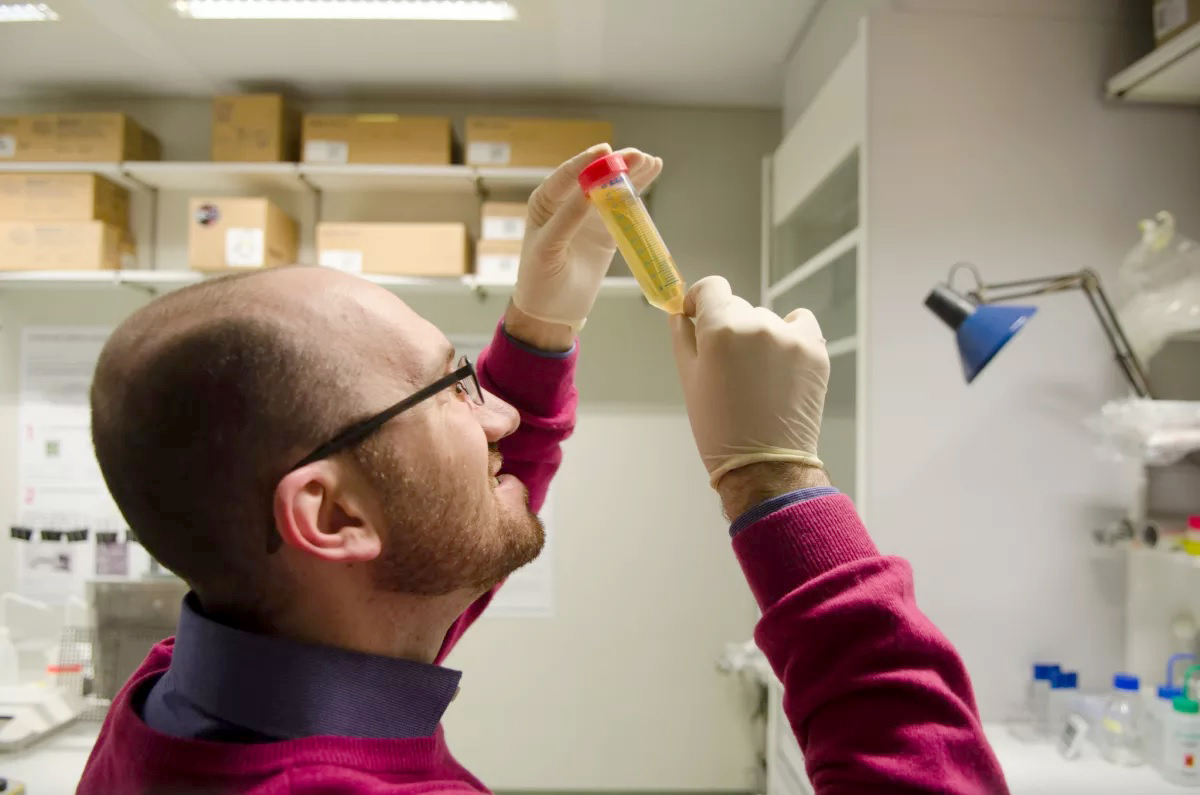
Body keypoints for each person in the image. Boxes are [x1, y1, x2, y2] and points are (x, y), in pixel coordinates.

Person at [76, 144, 1008, 795]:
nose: (503, 413)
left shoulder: (190, 696)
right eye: (453, 389)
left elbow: (425, 524)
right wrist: (775, 483)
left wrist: (540, 325)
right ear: (329, 514)